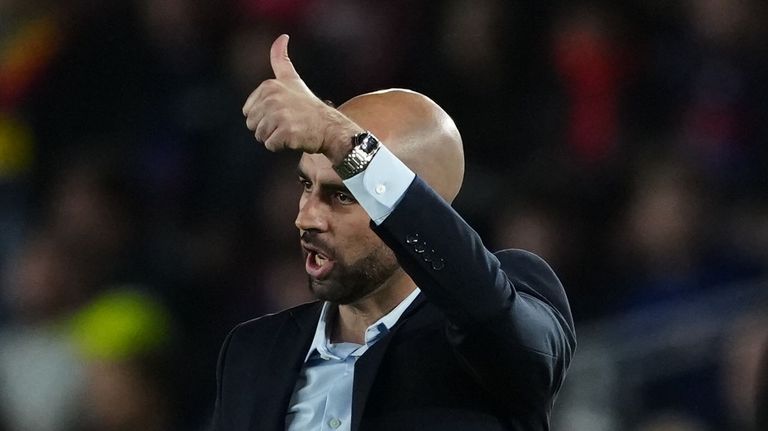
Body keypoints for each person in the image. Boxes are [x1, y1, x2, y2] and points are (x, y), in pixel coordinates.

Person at [213, 34, 576, 431]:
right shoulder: (254, 351)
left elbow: (488, 313)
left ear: (421, 205)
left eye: (342, 195)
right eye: (306, 186)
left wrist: (342, 140)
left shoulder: (497, 315)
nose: (307, 218)